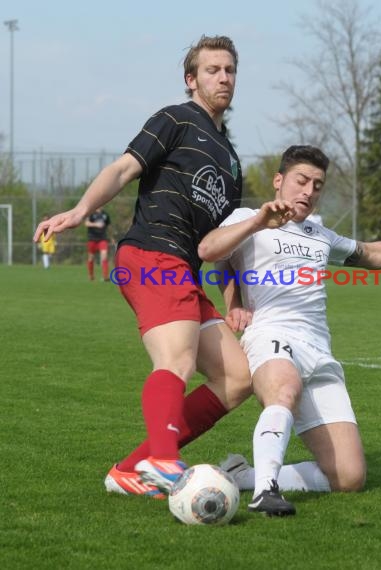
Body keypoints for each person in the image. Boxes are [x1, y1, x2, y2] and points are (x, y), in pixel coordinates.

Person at [198, 145, 381, 516]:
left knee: (349, 477)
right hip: (271, 333)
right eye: (302, 181)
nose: (309, 191)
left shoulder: (321, 235)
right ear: (279, 180)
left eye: (318, 185)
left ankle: (242, 476)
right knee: (283, 390)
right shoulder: (248, 217)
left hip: (319, 349)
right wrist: (239, 283)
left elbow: (374, 254)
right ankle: (265, 492)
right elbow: (210, 250)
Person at [34, 35, 252, 499]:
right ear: (191, 80)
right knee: (176, 358)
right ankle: (164, 458)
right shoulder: (175, 119)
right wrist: (78, 210)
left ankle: (132, 469)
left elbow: (224, 244)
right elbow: (122, 169)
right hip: (153, 254)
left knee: (236, 378)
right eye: (213, 70)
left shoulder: (232, 162)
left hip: (186, 272)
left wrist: (237, 300)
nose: (224, 78)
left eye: (230, 70)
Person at [85, 207, 112, 281]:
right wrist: (96, 224)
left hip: (103, 239)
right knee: (91, 258)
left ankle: (105, 276)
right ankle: (91, 275)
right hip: (92, 239)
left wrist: (111, 237)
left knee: (104, 257)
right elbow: (86, 223)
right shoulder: (91, 213)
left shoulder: (105, 215)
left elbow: (109, 226)